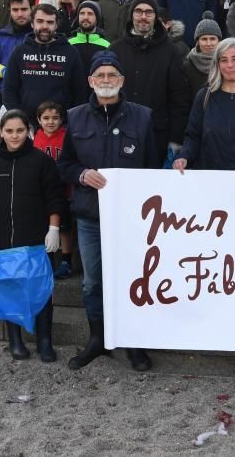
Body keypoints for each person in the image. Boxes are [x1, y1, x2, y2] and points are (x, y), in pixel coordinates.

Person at [57, 51, 158, 372]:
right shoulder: (74, 118)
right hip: (89, 215)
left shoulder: (143, 117)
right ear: (90, 81)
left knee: (133, 279)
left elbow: (153, 167)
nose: (105, 81)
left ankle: (134, 342)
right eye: (99, 76)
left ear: (122, 81)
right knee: (92, 283)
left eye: (111, 76)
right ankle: (98, 338)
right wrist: (81, 175)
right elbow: (65, 165)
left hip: (132, 218)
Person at [0, 109, 65, 362]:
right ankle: (15, 340)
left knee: (41, 289)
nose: (14, 136)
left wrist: (54, 227)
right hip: (2, 238)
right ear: (1, 132)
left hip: (36, 238)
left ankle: (44, 340)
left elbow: (54, 197)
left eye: (20, 130)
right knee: (9, 287)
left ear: (29, 131)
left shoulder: (43, 162)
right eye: (9, 131)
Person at [108, 0, 190, 161]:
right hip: (120, 131)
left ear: (155, 16)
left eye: (148, 12)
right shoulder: (116, 49)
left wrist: (175, 139)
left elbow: (179, 98)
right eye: (138, 11)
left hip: (156, 134)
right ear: (131, 16)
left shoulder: (170, 51)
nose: (143, 17)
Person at [174, 38, 235, 173]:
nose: (230, 65)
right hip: (208, 178)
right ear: (217, 65)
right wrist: (184, 157)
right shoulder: (204, 96)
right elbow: (193, 136)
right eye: (224, 60)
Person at [2, 4, 87, 124]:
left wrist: (69, 122)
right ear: (32, 23)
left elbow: (79, 93)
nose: (45, 26)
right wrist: (20, 120)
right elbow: (9, 91)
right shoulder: (19, 52)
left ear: (56, 25)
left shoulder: (71, 53)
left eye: (50, 22)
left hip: (61, 126)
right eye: (40, 21)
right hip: (27, 126)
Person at [32, 101, 75, 280]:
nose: (51, 122)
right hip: (42, 190)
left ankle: (66, 260)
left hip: (64, 189)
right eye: (46, 118)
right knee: (43, 225)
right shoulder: (35, 138)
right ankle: (46, 260)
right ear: (38, 120)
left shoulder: (67, 137)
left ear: (61, 119)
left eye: (55, 118)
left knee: (64, 226)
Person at [183, 12, 222, 97]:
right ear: (198, 42)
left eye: (212, 39)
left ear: (219, 41)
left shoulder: (226, 62)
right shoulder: (187, 65)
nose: (208, 43)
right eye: (204, 39)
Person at [68, 0, 111, 69]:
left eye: (90, 14)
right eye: (82, 13)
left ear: (97, 18)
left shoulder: (107, 46)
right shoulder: (69, 44)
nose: (85, 17)